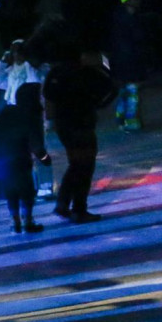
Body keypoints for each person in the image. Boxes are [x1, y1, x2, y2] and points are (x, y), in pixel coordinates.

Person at [42, 50, 115, 223]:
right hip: (82, 124)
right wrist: (96, 103)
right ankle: (78, 209)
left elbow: (48, 95)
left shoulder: (55, 73)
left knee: (76, 164)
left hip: (64, 125)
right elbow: (111, 88)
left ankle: (63, 203)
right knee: (85, 167)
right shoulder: (86, 73)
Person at [0, 83, 50, 234]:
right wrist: (45, 159)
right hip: (19, 160)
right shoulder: (31, 116)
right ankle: (28, 221)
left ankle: (15, 222)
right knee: (26, 192)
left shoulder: (7, 112)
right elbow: (37, 145)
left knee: (11, 193)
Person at [108, 0, 150, 132]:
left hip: (127, 60)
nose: (138, 1)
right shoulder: (126, 20)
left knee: (126, 91)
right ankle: (130, 120)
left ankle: (123, 119)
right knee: (132, 91)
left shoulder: (124, 18)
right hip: (129, 61)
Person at [0, 40, 42, 109]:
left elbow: (34, 83)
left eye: (19, 51)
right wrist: (2, 62)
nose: (16, 54)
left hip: (24, 106)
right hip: (10, 105)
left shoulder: (31, 70)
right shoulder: (11, 70)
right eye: (14, 51)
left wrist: (28, 63)